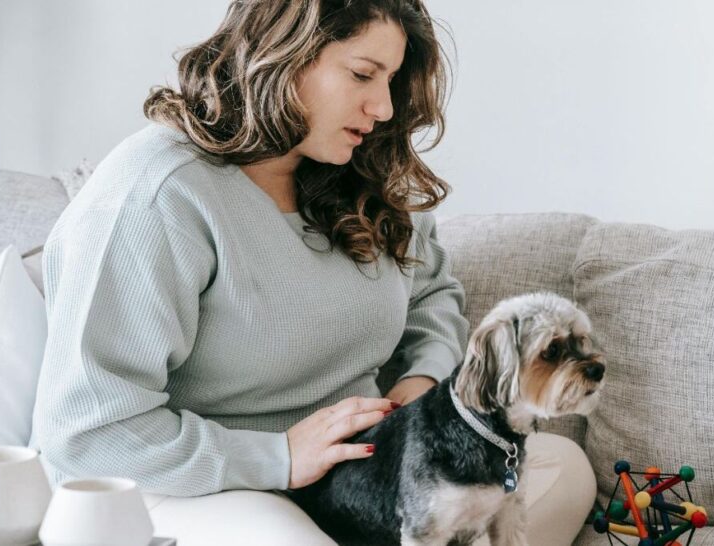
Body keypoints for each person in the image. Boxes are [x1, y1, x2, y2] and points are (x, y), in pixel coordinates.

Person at [31, 0, 595, 544]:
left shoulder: (353, 170)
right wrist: (280, 458)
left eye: (391, 82)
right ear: (283, 55)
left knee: (562, 473)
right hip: (193, 486)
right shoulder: (157, 196)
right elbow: (89, 433)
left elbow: (432, 294)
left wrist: (423, 385)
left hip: (359, 471)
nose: (384, 108)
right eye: (362, 75)